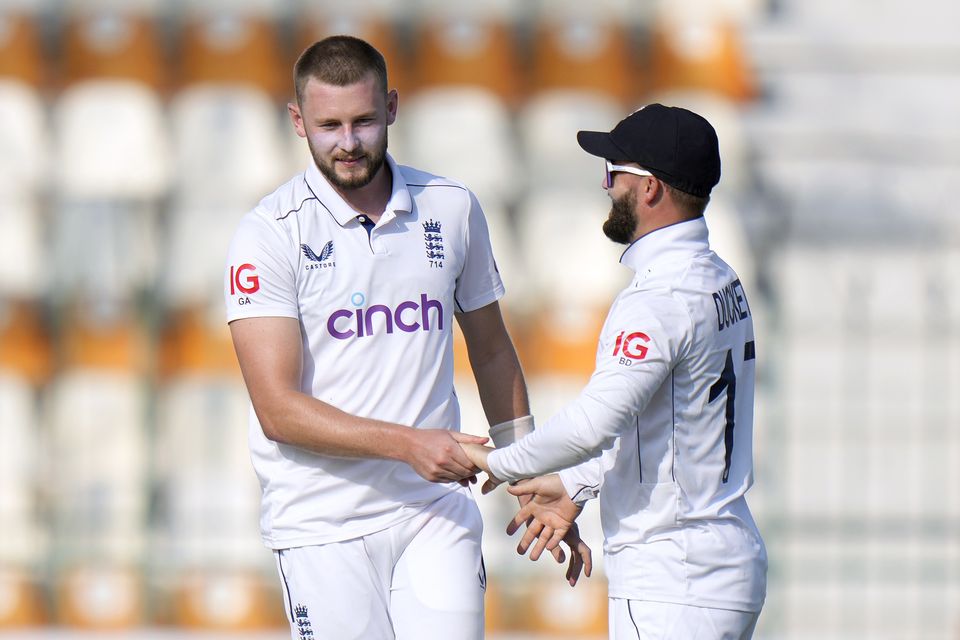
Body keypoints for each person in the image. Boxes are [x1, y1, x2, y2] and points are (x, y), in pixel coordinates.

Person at [224, 35, 586, 640]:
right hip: (320, 524)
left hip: (433, 510)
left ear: (392, 107)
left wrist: (531, 476)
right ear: (297, 122)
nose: (348, 142)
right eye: (329, 125)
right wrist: (409, 445)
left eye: (364, 120)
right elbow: (277, 410)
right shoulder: (268, 233)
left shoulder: (451, 207)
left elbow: (493, 350)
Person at [463, 104, 768, 639]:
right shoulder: (720, 278)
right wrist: (575, 485)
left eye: (614, 174)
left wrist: (498, 462)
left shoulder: (658, 299)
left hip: (673, 580)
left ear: (649, 189)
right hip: (720, 562)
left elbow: (594, 425)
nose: (607, 188)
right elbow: (663, 427)